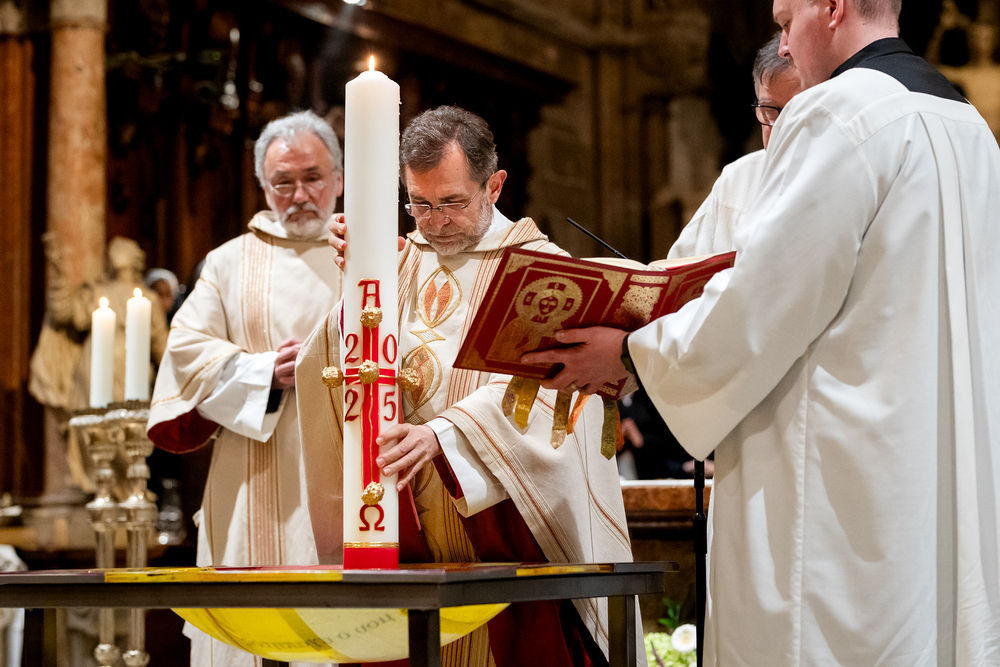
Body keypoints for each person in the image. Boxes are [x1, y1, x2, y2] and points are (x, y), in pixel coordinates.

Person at [523, 0, 1000, 664]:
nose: (784, 44)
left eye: (784, 21)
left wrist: (628, 353)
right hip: (930, 488)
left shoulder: (836, 111)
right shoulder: (968, 127)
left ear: (831, 7)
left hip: (836, 513)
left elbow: (761, 301)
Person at [297, 105, 638, 667]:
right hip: (411, 526)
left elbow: (549, 386)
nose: (435, 222)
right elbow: (341, 363)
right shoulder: (397, 259)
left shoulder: (542, 269)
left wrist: (444, 435)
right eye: (420, 203)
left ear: (494, 186)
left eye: (453, 202)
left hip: (507, 530)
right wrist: (359, 285)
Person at [147, 110, 344, 667]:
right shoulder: (228, 263)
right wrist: (262, 372)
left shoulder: (375, 256)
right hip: (251, 478)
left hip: (350, 473)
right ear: (263, 186)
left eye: (312, 177)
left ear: (339, 178)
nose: (299, 195)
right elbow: (185, 351)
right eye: (283, 182)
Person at [669, 32, 802, 258]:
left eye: (795, 111)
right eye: (769, 111)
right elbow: (681, 266)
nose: (779, 127)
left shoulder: (852, 175)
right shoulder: (737, 179)